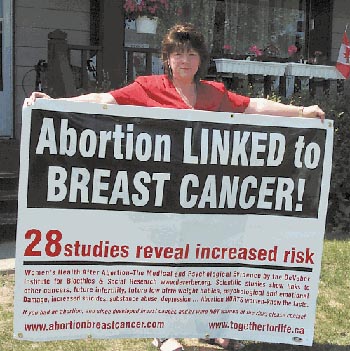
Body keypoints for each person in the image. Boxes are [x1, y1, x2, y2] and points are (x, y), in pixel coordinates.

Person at [25, 23, 325, 351]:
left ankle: (211, 328)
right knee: (167, 264)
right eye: (177, 53)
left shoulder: (214, 93)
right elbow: (104, 100)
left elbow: (252, 106)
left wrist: (300, 112)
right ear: (167, 58)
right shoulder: (147, 87)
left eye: (191, 54)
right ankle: (163, 331)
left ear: (200, 60)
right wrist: (55, 103)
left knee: (210, 264)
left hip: (205, 200)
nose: (184, 60)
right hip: (161, 199)